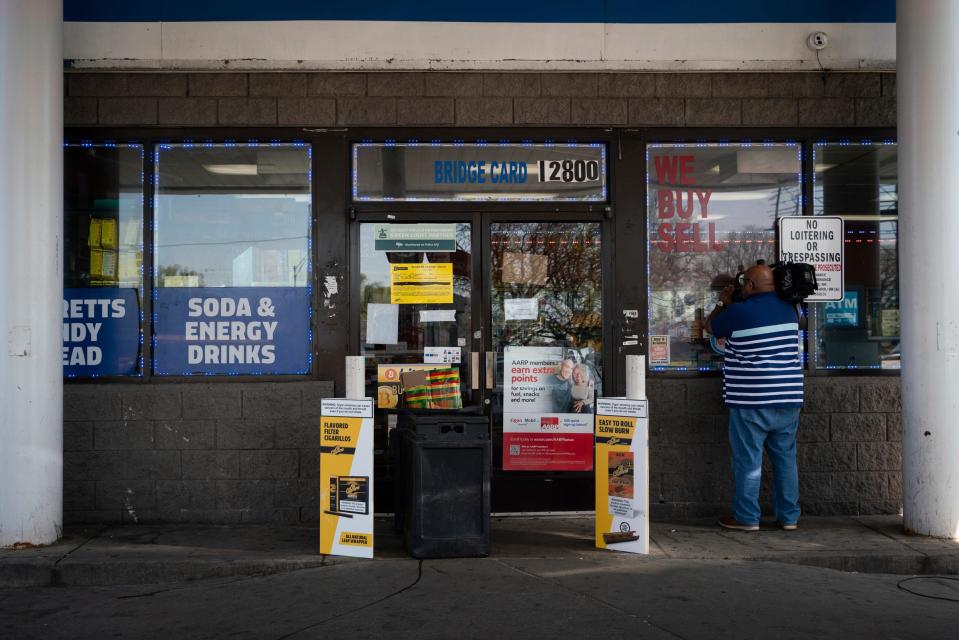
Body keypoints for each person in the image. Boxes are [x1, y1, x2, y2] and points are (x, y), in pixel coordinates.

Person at [705, 263, 803, 532]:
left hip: (751, 399)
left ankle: (747, 518)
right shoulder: (791, 309)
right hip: (788, 396)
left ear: (750, 285)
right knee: (785, 458)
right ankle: (789, 517)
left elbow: (710, 327)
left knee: (748, 460)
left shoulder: (739, 311)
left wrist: (723, 303)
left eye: (742, 282)